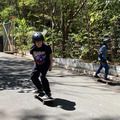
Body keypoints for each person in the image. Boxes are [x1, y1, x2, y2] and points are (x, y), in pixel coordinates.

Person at [30, 32, 53, 98]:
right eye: (37, 42)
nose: (39, 43)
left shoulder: (46, 47)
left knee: (42, 77)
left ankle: (48, 93)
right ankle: (40, 89)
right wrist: (35, 64)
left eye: (40, 41)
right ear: (34, 42)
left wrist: (51, 65)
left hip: (45, 64)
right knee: (33, 76)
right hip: (37, 64)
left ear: (42, 41)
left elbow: (50, 56)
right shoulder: (33, 49)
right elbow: (34, 56)